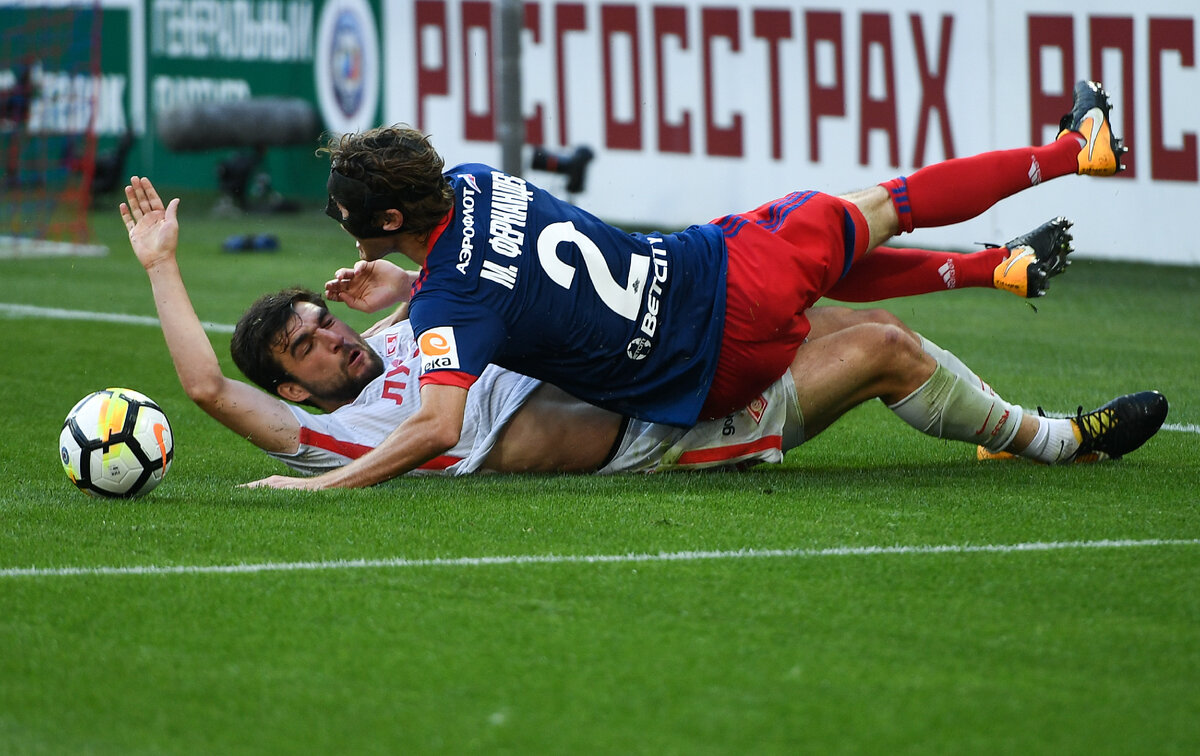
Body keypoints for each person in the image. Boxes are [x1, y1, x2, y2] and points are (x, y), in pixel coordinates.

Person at [255, 79, 1156, 489]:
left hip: (706, 314)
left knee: (853, 234)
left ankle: (1002, 261)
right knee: (882, 205)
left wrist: (325, 486)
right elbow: (485, 274)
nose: (341, 224)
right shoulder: (482, 182)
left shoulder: (451, 297)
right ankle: (1073, 154)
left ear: (389, 220)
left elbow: (441, 413)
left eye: (347, 213)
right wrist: (413, 280)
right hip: (709, 304)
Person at [119, 177, 1167, 485]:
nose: (332, 338)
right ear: (291, 391)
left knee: (840, 315)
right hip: (664, 428)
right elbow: (208, 388)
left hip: (652, 365)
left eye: (323, 321)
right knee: (882, 346)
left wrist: (397, 284)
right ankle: (1056, 440)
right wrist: (163, 265)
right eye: (307, 347)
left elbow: (458, 315)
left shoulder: (400, 338)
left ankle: (995, 391)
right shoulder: (323, 435)